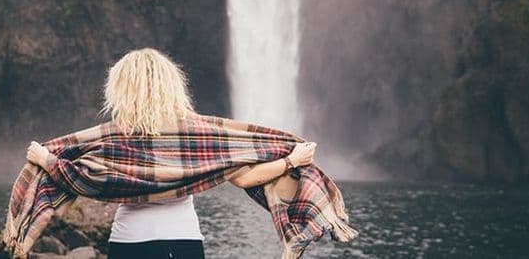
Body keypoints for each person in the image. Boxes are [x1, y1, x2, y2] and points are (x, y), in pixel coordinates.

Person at [25, 47, 317, 259]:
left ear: (121, 88)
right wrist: (291, 161)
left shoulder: (113, 137)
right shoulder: (196, 132)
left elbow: (84, 181)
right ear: (172, 85)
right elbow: (243, 178)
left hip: (128, 241)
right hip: (182, 240)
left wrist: (46, 159)